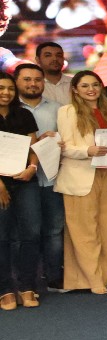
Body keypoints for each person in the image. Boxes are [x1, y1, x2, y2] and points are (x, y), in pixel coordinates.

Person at [55, 71, 107, 293]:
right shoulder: (67, 111)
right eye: (84, 85)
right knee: (84, 231)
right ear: (75, 89)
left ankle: (105, 274)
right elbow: (65, 147)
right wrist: (88, 151)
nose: (91, 89)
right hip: (81, 176)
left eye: (95, 84)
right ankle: (90, 278)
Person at [14, 64, 66, 292]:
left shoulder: (58, 109)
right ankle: (25, 281)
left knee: (54, 230)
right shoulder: (11, 110)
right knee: (27, 232)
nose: (33, 84)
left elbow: (69, 139)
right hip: (22, 180)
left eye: (37, 79)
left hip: (53, 177)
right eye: (27, 79)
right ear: (16, 81)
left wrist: (58, 139)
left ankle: (54, 276)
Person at [0, 73, 41, 310]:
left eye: (9, 89)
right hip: (0, 185)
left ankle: (27, 286)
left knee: (32, 233)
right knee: (2, 237)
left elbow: (33, 147)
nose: (5, 93)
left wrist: (32, 168)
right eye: (1, 88)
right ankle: (5, 290)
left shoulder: (23, 114)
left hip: (25, 181)